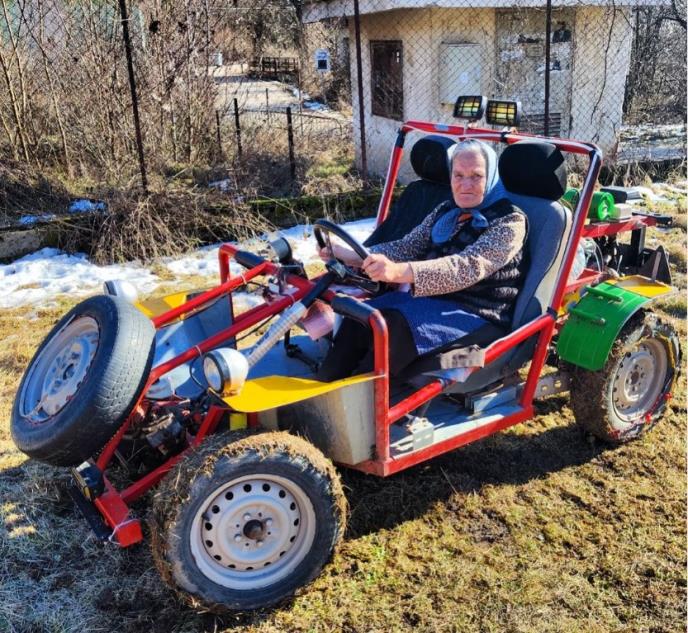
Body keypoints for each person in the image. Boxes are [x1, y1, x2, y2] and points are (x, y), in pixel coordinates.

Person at [316, 138, 528, 382]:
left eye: (476, 176)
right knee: (361, 317)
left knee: (390, 328)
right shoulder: (447, 211)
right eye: (458, 175)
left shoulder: (509, 221)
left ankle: (363, 398)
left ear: (490, 177)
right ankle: (324, 385)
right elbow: (407, 247)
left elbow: (466, 267)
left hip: (480, 318)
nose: (465, 185)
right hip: (433, 304)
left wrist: (398, 272)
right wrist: (350, 254)